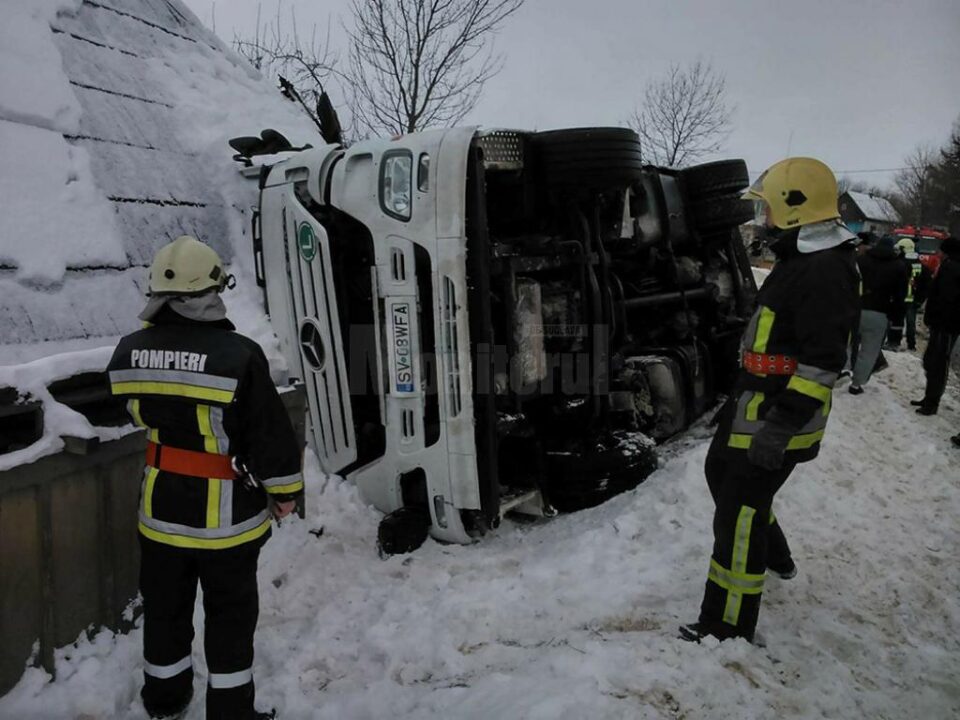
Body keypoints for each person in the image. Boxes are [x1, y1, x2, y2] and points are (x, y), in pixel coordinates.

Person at [107, 236, 303, 720]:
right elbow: (268, 433)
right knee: (230, 616)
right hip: (227, 522)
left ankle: (165, 700)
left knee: (165, 611)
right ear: (213, 289)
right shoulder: (239, 355)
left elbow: (132, 410)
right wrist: (285, 493)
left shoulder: (128, 351)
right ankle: (231, 712)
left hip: (160, 513)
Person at [680, 158, 860, 644]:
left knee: (738, 512)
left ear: (795, 207)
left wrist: (780, 427)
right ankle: (777, 557)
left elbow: (822, 363)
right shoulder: (801, 258)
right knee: (721, 475)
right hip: (754, 404)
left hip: (779, 415)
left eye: (770, 208)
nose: (765, 218)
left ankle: (726, 625)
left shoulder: (825, 269)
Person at [848, 234, 907, 394]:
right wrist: (896, 320)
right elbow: (900, 297)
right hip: (880, 313)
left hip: (855, 309)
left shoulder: (861, 260)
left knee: (848, 344)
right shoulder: (898, 266)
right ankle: (856, 384)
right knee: (869, 350)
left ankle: (843, 371)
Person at [912, 235, 960, 415]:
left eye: (941, 249)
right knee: (931, 361)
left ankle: (932, 402)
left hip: (945, 325)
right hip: (942, 324)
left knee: (937, 363)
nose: (938, 253)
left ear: (947, 252)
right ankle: (929, 397)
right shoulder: (949, 266)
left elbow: (945, 297)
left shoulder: (951, 268)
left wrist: (934, 318)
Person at [889, 237, 932, 351]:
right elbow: (927, 284)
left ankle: (894, 342)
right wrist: (920, 299)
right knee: (911, 323)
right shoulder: (921, 265)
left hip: (900, 298)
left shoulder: (899, 263)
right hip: (913, 300)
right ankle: (911, 344)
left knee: (896, 322)